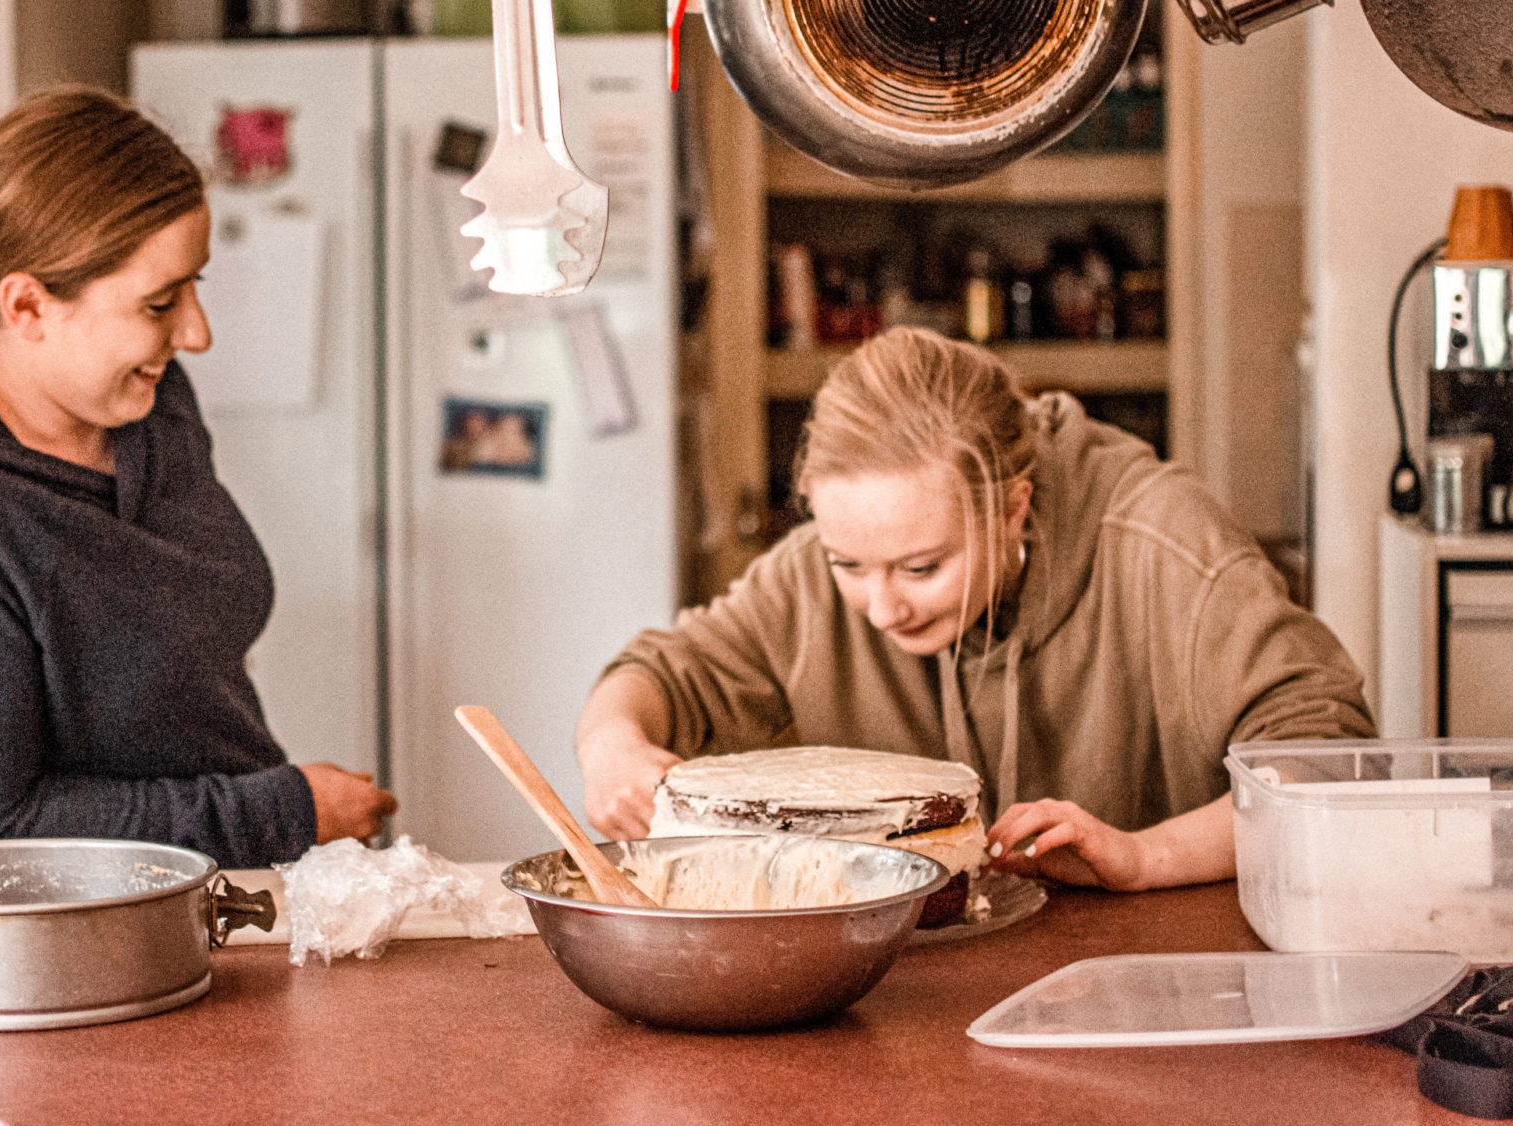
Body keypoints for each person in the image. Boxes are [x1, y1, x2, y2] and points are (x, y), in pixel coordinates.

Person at [576, 327, 1373, 892]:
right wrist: (612, 747)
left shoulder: (1164, 543)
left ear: (1013, 507)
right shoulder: (815, 576)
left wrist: (1143, 857)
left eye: (922, 567)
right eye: (849, 565)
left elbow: (1322, 761)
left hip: (1162, 986)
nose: (881, 608)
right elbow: (660, 673)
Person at [0, 86, 395, 866]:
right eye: (159, 303)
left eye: (195, 286)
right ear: (27, 306)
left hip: (220, 903)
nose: (196, 333)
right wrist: (286, 810)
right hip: (57, 940)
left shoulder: (151, 410)